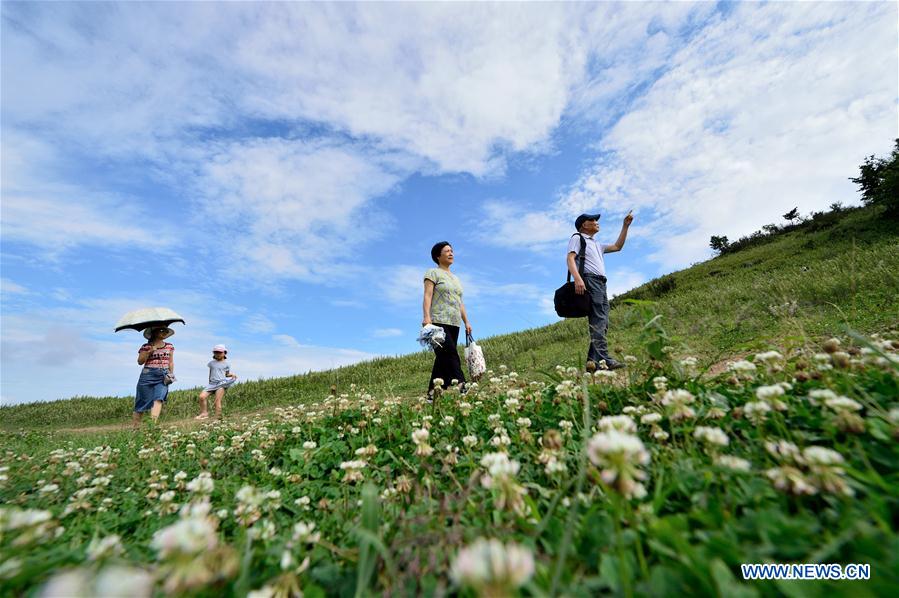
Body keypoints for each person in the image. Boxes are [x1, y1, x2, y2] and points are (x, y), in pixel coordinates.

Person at [567, 211, 634, 371]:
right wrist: (578, 278)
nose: (597, 222)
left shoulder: (597, 244)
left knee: (602, 321)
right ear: (584, 224)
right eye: (593, 220)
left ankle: (593, 363)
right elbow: (570, 258)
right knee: (598, 319)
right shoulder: (578, 238)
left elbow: (618, 246)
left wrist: (625, 226)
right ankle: (605, 360)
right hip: (590, 280)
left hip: (601, 283)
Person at [422, 241, 472, 398]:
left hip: (454, 322)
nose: (451, 253)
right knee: (450, 353)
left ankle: (433, 393)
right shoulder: (432, 273)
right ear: (438, 256)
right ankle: (462, 383)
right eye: (447, 251)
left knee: (442, 358)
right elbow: (427, 295)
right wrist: (426, 317)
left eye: (452, 251)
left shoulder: (456, 278)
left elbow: (460, 302)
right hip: (438, 321)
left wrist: (466, 321)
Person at [134, 327, 175, 426]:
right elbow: (140, 361)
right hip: (147, 374)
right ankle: (135, 428)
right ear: (154, 332)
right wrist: (149, 352)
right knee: (142, 402)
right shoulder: (146, 346)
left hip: (163, 374)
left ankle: (152, 426)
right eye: (162, 330)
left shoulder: (169, 346)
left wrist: (171, 374)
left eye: (166, 330)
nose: (164, 332)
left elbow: (171, 362)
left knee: (159, 398)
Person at [196, 344, 238, 420]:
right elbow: (210, 373)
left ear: (224, 353)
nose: (217, 354)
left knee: (217, 400)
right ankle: (204, 413)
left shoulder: (227, 364)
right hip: (212, 384)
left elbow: (226, 374)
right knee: (201, 397)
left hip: (221, 383)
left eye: (220, 352)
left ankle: (218, 417)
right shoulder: (211, 363)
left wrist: (232, 375)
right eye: (216, 352)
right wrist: (209, 383)